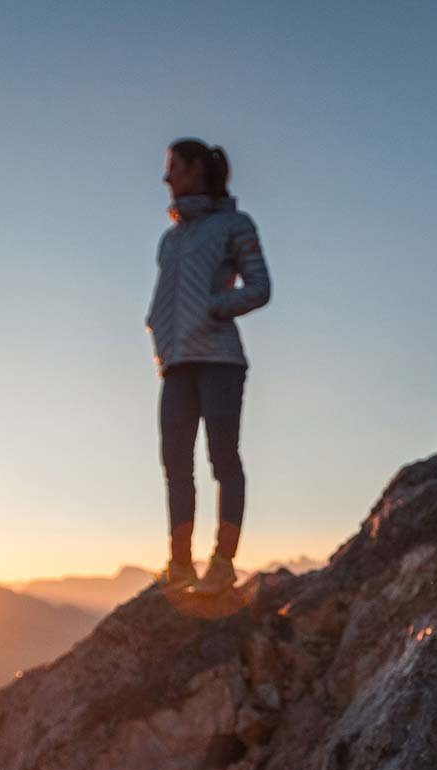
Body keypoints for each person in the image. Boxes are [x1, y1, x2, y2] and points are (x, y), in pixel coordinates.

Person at [147, 138, 270, 593]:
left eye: (174, 167)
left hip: (219, 359)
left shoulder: (234, 225)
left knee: (223, 460)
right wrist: (159, 333)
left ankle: (222, 563)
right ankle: (180, 565)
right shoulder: (171, 239)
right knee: (176, 465)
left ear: (196, 169)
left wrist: (214, 307)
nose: (166, 177)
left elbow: (260, 287)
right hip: (176, 364)